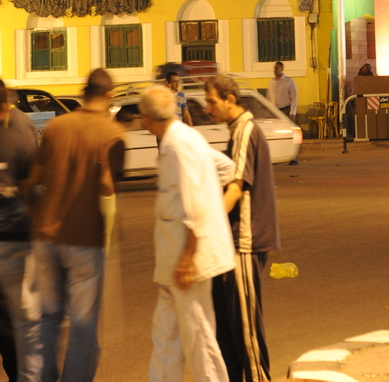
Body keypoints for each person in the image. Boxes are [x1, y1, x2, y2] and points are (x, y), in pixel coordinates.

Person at [30, 68, 125, 382]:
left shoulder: (56, 126)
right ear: (108, 96)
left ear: (84, 94)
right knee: (83, 325)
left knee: (48, 318)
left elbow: (37, 175)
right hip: (83, 240)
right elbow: (107, 186)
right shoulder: (111, 134)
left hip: (45, 235)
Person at [139, 85, 236, 382]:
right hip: (174, 262)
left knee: (198, 335)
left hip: (187, 261)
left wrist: (187, 258)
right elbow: (226, 169)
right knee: (166, 334)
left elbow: (194, 206)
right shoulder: (186, 138)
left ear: (146, 119)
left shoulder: (178, 146)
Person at [205, 76, 280, 382]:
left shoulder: (246, 132)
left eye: (212, 102)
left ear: (230, 99)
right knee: (229, 330)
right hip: (233, 243)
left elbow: (236, 188)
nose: (207, 108)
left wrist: (205, 226)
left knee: (246, 330)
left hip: (245, 242)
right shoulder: (237, 131)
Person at [0, 84, 41, 382]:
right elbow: (34, 184)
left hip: (12, 240)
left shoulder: (17, 131)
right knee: (20, 321)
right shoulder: (18, 135)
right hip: (14, 239)